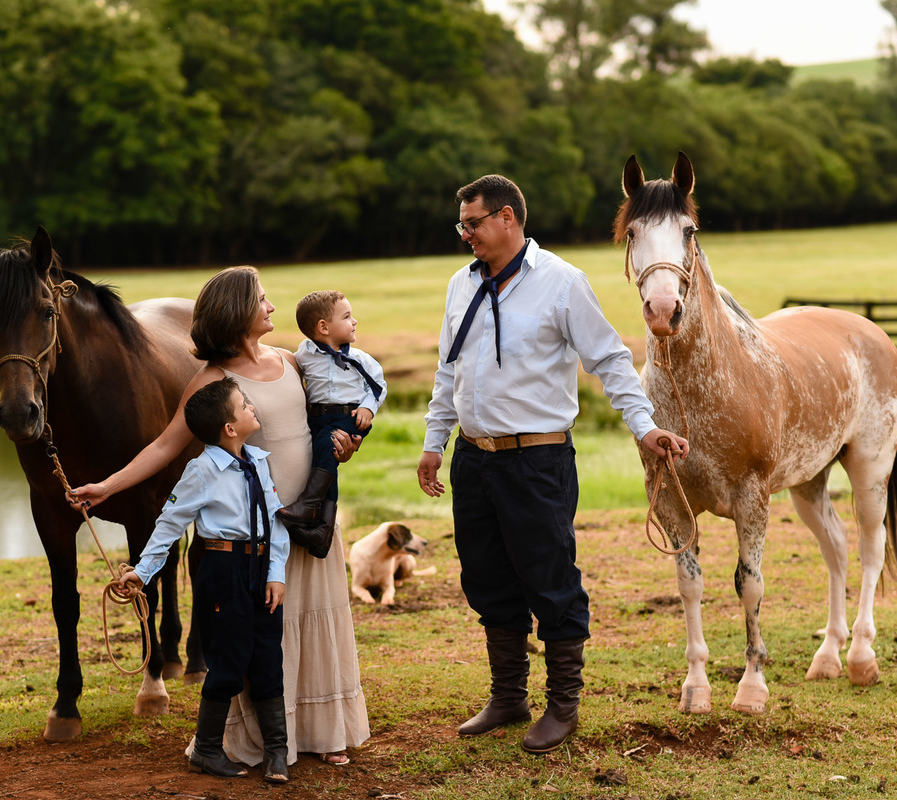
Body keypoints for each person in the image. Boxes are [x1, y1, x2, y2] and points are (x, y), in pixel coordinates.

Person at [416, 174, 689, 755]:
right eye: (461, 224)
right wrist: (435, 442)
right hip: (473, 459)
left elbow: (610, 359)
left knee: (550, 578)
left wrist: (645, 427)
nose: (465, 234)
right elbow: (449, 370)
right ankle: (508, 696)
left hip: (537, 460)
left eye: (473, 223)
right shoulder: (460, 285)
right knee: (486, 576)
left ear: (507, 218)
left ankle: (563, 705)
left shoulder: (562, 283)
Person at [69, 266, 370, 767]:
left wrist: (347, 441)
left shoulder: (291, 360)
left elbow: (325, 420)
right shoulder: (212, 381)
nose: (272, 307)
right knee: (268, 637)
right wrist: (106, 486)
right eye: (262, 299)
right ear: (237, 310)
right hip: (260, 526)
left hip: (311, 516)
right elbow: (165, 445)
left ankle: (322, 731)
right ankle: (268, 739)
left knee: (318, 621)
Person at [116, 377, 290, 782]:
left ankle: (277, 752)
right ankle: (207, 750)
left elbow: (276, 522)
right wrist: (142, 572)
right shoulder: (201, 470)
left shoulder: (258, 460)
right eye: (244, 405)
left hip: (262, 569)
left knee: (268, 660)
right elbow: (168, 525)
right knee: (227, 662)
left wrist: (276, 573)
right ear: (229, 427)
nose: (252, 407)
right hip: (223, 571)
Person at [276, 290, 387, 550]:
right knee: (324, 458)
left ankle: (309, 504)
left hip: (349, 416)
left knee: (328, 445)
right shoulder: (304, 354)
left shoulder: (359, 359)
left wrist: (368, 408)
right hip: (318, 418)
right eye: (347, 316)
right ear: (324, 327)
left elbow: (378, 386)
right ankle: (323, 529)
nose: (354, 321)